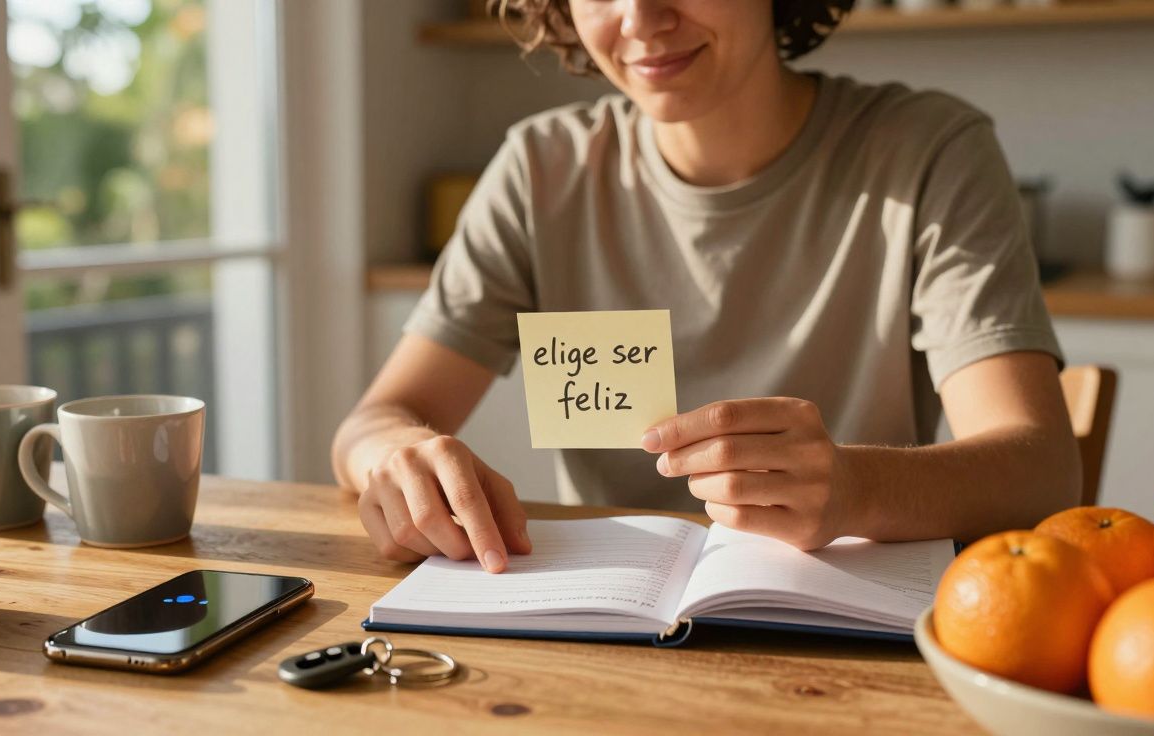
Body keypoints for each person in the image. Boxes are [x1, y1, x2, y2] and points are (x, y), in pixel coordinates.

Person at [331, 0, 1080, 574]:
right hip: (604, 628)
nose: (641, 19)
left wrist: (855, 487)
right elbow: (374, 423)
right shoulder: (540, 171)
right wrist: (397, 454)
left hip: (842, 631)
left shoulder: (928, 154)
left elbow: (1040, 469)